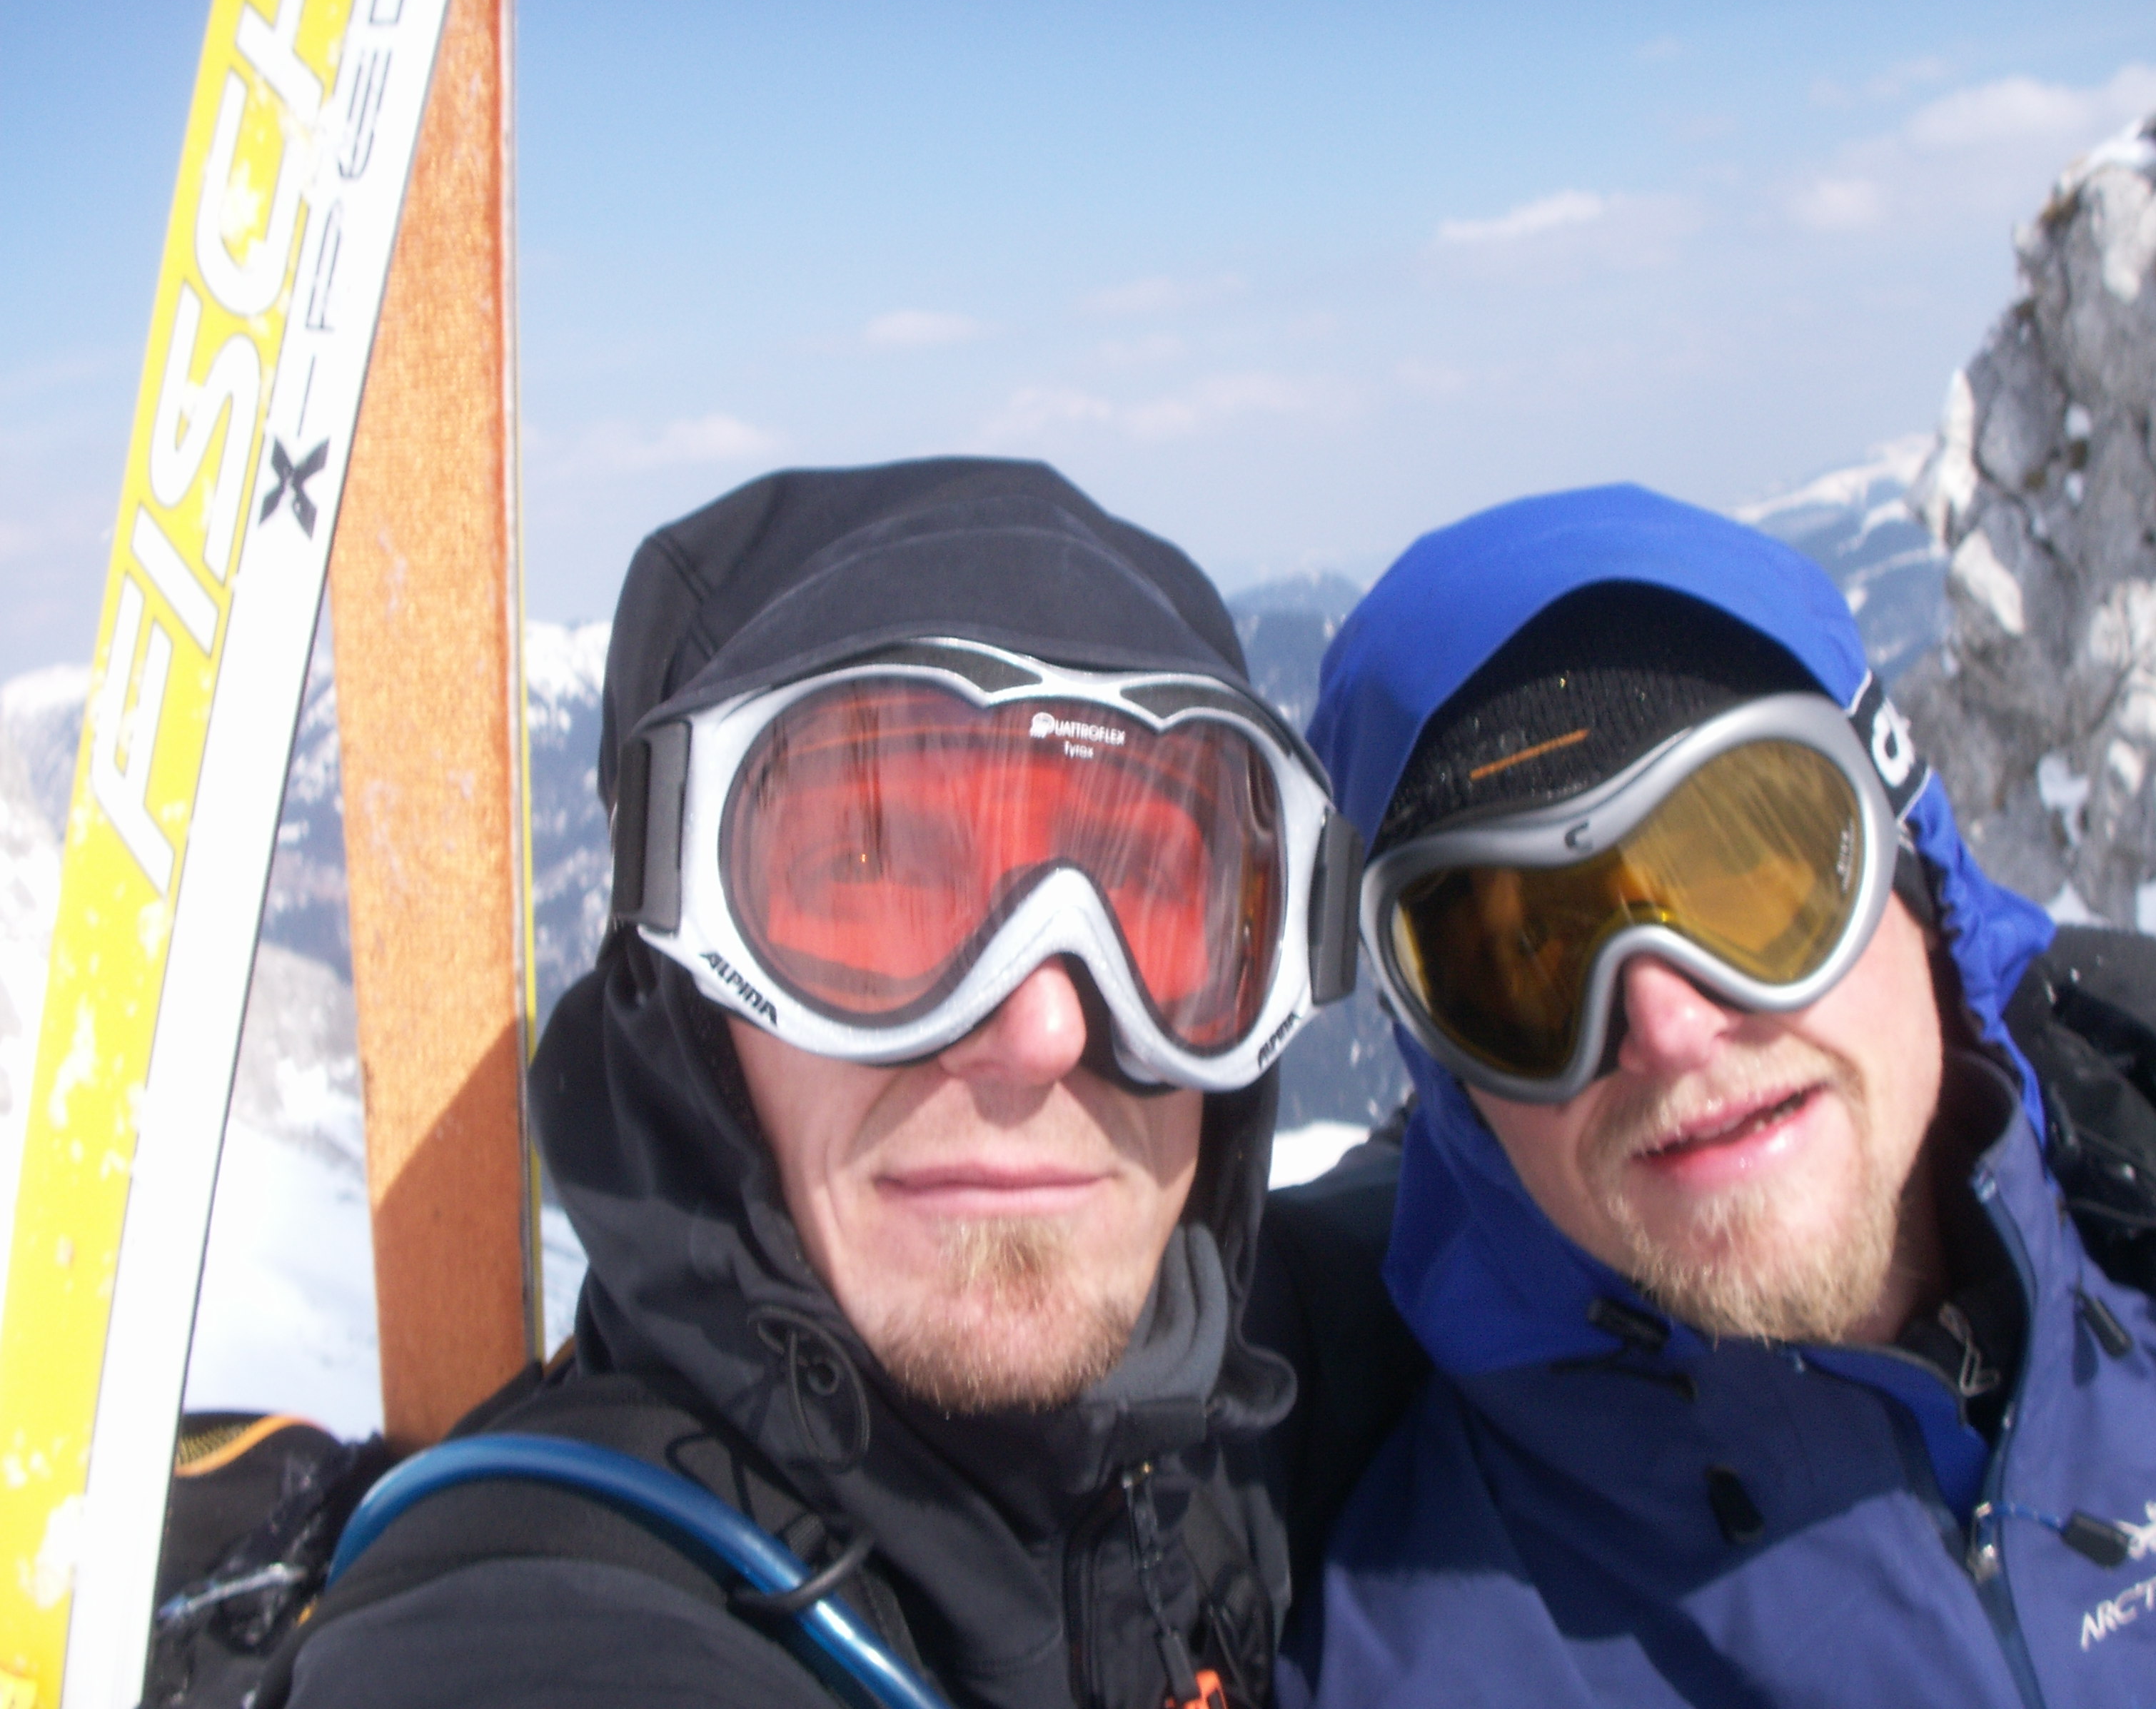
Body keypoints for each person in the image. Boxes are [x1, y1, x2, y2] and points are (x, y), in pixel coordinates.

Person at [267, 458, 1364, 1709]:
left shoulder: (1245, 1417)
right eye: (868, 872)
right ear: (684, 987)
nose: (1046, 1029)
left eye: (1154, 892)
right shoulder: (532, 1632)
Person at [1279, 484, 2156, 1708]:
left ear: (1917, 876)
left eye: (1749, 882)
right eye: (1525, 965)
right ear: (1451, 1082)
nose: (1669, 1028)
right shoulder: (1437, 1661)